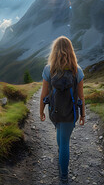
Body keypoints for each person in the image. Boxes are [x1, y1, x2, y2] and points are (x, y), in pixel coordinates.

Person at [40, 36, 85, 185]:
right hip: (71, 113)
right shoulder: (77, 71)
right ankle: (64, 178)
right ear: (71, 50)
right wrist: (83, 114)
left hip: (54, 111)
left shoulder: (49, 69)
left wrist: (41, 111)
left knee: (60, 134)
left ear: (55, 51)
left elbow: (44, 94)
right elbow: (81, 96)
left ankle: (61, 159)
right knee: (65, 141)